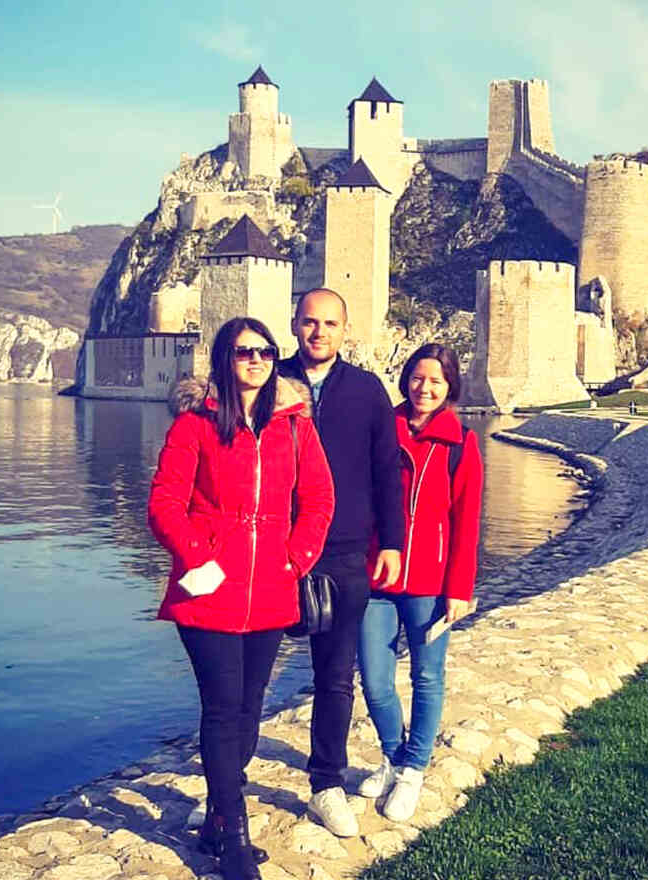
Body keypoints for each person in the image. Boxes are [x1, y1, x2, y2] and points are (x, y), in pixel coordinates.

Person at [148, 317, 334, 879]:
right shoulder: (196, 425)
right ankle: (234, 836)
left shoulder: (294, 426)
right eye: (242, 352)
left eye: (265, 351)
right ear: (224, 360)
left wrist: (296, 558)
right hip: (209, 592)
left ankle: (213, 818)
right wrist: (200, 556)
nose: (255, 360)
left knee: (250, 713)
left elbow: (320, 499)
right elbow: (163, 504)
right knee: (224, 709)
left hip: (272, 592)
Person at [276, 289, 405, 837]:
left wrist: (392, 543)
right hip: (273, 552)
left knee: (334, 678)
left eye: (330, 323)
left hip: (345, 550)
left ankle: (325, 784)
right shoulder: (268, 379)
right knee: (248, 676)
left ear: (345, 330)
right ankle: (225, 790)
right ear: (294, 324)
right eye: (310, 322)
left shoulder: (366, 391)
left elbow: (385, 471)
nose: (319, 332)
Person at [356, 343, 483, 822]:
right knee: (374, 678)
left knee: (427, 677)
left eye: (435, 380)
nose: (424, 388)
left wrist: (461, 587)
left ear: (449, 386)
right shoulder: (380, 433)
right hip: (377, 576)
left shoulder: (461, 443)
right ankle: (392, 755)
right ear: (405, 378)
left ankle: (414, 768)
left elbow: (466, 521)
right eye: (416, 377)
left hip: (431, 581)